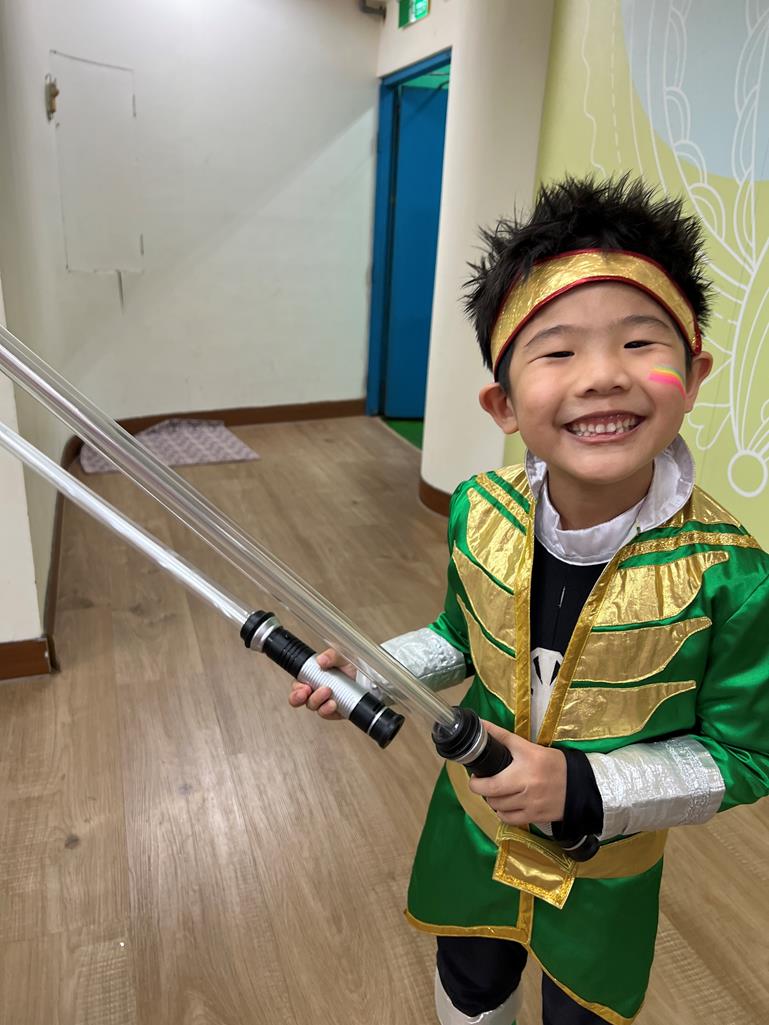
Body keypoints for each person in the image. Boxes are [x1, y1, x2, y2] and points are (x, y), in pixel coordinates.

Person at [289, 176, 769, 1025]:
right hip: (474, 830)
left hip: (604, 870)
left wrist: (583, 784)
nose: (603, 376)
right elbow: (459, 634)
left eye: (639, 343)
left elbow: (744, 757)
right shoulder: (480, 510)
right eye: (557, 352)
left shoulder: (731, 576)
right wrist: (376, 668)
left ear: (692, 375)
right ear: (503, 404)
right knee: (468, 984)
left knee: (579, 1011)